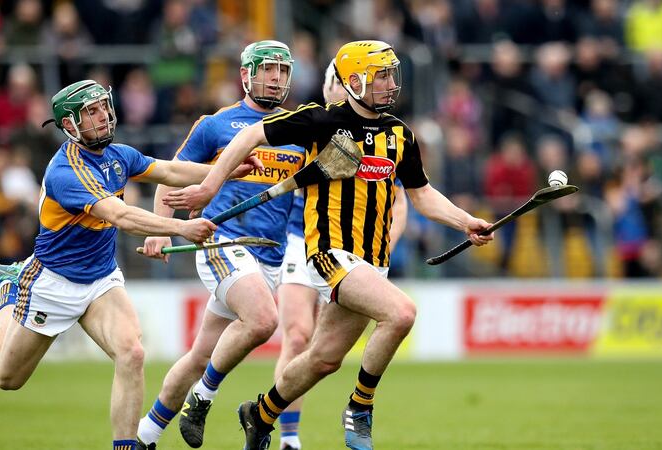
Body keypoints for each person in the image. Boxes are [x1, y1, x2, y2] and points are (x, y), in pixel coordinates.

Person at [165, 40, 494, 450]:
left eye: (393, 75)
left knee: (323, 359)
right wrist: (210, 185)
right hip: (329, 254)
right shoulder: (321, 122)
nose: (391, 84)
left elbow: (422, 194)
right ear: (354, 82)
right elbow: (251, 134)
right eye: (382, 77)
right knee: (402, 313)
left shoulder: (399, 134)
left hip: (373, 262)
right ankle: (360, 407)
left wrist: (466, 222)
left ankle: (260, 414)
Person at [0, 79, 260, 450]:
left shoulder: (118, 155)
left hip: (101, 279)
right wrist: (180, 226)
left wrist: (224, 171)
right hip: (53, 281)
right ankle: (10, 290)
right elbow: (121, 217)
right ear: (71, 126)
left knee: (132, 353)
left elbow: (170, 171)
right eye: (91, 112)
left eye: (103, 107)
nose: (104, 116)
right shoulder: (67, 172)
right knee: (7, 378)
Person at [135, 41, 303, 449]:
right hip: (222, 241)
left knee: (198, 356)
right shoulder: (216, 124)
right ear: (246, 75)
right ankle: (202, 399)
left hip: (270, 256)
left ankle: (145, 436)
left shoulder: (297, 129)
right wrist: (161, 229)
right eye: (267, 70)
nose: (276, 78)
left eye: (282, 70)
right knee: (264, 320)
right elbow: (170, 174)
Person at [272, 60, 408, 450]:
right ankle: (290, 437)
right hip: (306, 242)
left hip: (362, 255)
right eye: (333, 82)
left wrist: (389, 242)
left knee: (325, 356)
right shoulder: (312, 123)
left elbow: (400, 200)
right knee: (298, 336)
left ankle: (261, 414)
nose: (337, 89)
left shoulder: (380, 134)